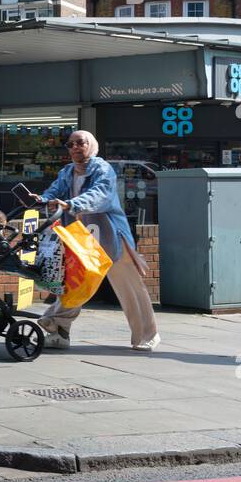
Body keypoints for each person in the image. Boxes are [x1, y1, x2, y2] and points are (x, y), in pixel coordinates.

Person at [33, 130, 159, 351]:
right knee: (76, 282)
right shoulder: (67, 172)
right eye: (70, 144)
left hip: (111, 235)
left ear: (90, 144)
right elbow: (54, 191)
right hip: (82, 235)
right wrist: (44, 200)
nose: (74, 148)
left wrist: (71, 204)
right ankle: (58, 329)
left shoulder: (102, 169)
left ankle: (147, 336)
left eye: (79, 143)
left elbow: (100, 194)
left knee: (129, 287)